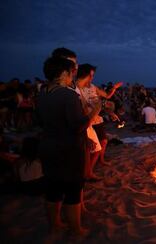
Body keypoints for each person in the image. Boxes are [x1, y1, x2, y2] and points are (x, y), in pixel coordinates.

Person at [36, 56, 100, 236]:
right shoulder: (68, 95)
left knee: (53, 189)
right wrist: (94, 111)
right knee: (73, 190)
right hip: (68, 149)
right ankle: (76, 230)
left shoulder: (42, 93)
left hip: (48, 146)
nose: (73, 75)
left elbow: (39, 121)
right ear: (64, 73)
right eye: (72, 71)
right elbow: (78, 125)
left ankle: (55, 225)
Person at [78, 64, 122, 165]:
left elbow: (107, 96)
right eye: (91, 75)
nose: (92, 78)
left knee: (103, 141)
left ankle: (101, 160)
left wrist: (114, 88)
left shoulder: (94, 87)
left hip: (96, 118)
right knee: (89, 145)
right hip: (86, 120)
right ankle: (89, 167)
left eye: (93, 75)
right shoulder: (78, 89)